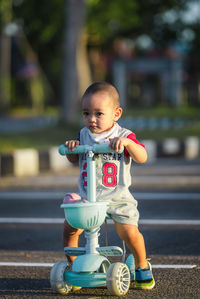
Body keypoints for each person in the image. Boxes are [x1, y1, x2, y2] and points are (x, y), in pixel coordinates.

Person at [62, 81, 155, 290]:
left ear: (116, 113)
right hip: (89, 197)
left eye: (98, 114)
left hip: (117, 197)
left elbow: (143, 156)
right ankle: (74, 265)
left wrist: (129, 144)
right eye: (86, 113)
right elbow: (73, 160)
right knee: (70, 227)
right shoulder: (83, 134)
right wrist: (71, 150)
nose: (91, 119)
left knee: (129, 233)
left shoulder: (123, 135)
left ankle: (141, 265)